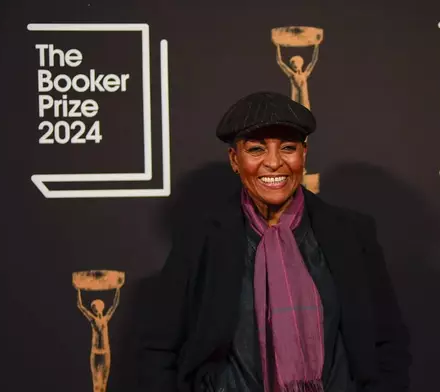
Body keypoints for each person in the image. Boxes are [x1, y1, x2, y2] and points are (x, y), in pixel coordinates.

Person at [138, 91, 411, 392]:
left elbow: (387, 342)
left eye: (288, 148)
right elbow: (158, 350)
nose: (274, 163)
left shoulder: (350, 233)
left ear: (303, 155)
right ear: (234, 159)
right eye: (256, 149)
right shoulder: (201, 238)